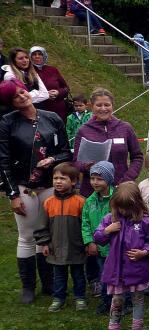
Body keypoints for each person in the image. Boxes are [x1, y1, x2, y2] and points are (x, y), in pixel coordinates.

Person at [0, 80, 71, 304]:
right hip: (24, 185)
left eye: (22, 92)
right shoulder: (7, 122)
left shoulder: (52, 117)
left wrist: (53, 159)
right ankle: (28, 287)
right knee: (27, 235)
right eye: (15, 96)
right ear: (10, 102)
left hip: (50, 184)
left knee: (46, 234)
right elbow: (3, 161)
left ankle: (49, 283)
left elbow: (66, 151)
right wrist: (13, 195)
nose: (21, 97)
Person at [93, 181, 149, 330]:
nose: (123, 211)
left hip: (137, 270)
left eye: (127, 207)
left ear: (136, 204)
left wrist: (144, 252)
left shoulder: (145, 221)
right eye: (120, 207)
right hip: (117, 271)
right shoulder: (110, 219)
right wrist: (107, 231)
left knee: (138, 299)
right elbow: (98, 238)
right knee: (117, 300)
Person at [34, 163, 86, 312]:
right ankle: (58, 298)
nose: (58, 181)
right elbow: (42, 226)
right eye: (55, 178)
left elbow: (86, 226)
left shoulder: (81, 202)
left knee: (78, 274)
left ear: (73, 181)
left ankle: (80, 297)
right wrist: (44, 243)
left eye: (63, 178)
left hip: (76, 246)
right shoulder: (48, 202)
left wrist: (87, 243)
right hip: (55, 247)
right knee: (58, 275)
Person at [74, 88, 143, 197]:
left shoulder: (125, 128)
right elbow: (76, 162)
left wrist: (127, 179)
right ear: (92, 106)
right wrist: (85, 166)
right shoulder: (83, 130)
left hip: (121, 190)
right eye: (98, 105)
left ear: (112, 106)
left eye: (107, 105)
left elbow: (137, 157)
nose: (103, 108)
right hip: (92, 192)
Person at [81, 161, 114, 310]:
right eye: (92, 178)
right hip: (99, 248)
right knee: (104, 275)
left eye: (99, 179)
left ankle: (124, 301)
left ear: (109, 179)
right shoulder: (89, 201)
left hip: (115, 247)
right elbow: (85, 223)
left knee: (118, 275)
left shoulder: (117, 199)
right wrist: (89, 242)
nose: (95, 182)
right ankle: (106, 301)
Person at [29, 46, 70, 122]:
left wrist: (58, 92)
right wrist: (45, 95)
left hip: (58, 109)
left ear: (44, 55)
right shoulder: (28, 72)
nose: (37, 56)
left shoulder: (53, 70)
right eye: (34, 54)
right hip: (39, 110)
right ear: (30, 57)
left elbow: (66, 88)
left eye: (40, 54)